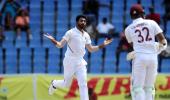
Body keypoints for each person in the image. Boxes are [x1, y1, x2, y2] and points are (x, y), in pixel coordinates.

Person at [44, 15, 112, 100]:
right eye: (81, 21)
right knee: (66, 84)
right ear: (77, 22)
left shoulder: (86, 35)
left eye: (84, 21)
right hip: (70, 61)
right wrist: (52, 40)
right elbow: (60, 45)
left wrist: (102, 45)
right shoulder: (70, 32)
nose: (83, 22)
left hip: (80, 62)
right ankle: (54, 83)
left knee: (83, 84)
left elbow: (90, 49)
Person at [125, 4, 167, 100]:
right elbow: (162, 40)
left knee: (138, 87)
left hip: (139, 57)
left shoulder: (128, 29)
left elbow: (134, 45)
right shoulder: (151, 23)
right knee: (149, 87)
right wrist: (160, 47)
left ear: (131, 16)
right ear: (143, 14)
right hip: (152, 57)